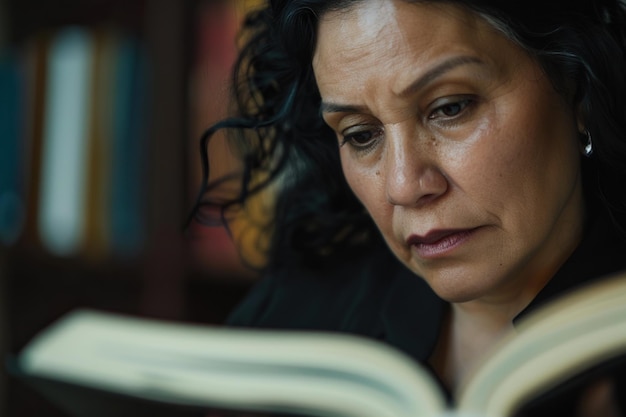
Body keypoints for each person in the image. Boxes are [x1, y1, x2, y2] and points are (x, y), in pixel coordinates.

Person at [190, 0, 626, 414]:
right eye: (361, 135)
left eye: (450, 108)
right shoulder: (292, 319)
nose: (402, 186)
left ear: (577, 88)